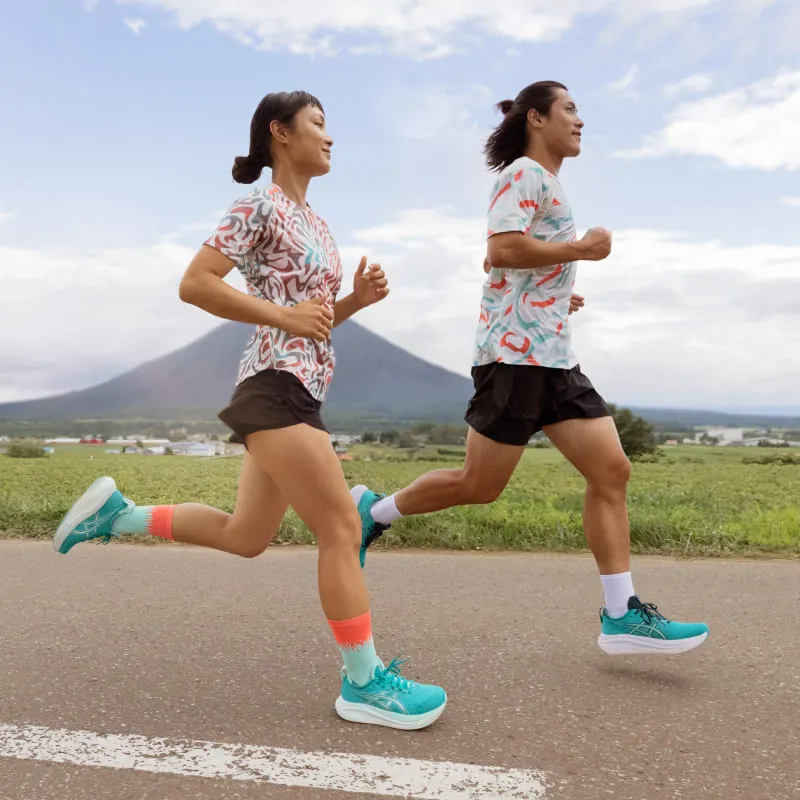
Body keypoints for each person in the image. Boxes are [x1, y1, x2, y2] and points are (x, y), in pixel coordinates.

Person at [52, 90, 447, 730]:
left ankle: (118, 516)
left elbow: (309, 324)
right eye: (318, 124)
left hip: (296, 384)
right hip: (274, 386)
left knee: (247, 537)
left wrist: (352, 305)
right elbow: (196, 282)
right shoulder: (257, 204)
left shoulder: (317, 223)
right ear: (279, 133)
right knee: (344, 529)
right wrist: (285, 314)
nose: (330, 136)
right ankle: (365, 683)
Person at [354, 81, 709, 656]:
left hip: (554, 358)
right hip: (515, 358)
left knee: (612, 471)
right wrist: (581, 252)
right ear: (538, 119)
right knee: (480, 486)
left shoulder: (547, 185)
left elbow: (509, 261)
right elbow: (502, 249)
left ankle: (621, 615)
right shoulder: (521, 173)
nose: (580, 121)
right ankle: (376, 511)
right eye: (570, 109)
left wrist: (556, 292)